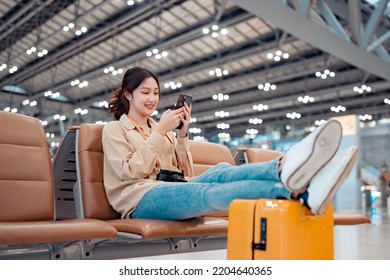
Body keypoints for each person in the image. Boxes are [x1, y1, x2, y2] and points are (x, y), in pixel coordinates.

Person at [102, 66, 358, 220]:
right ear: (128, 94)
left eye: (156, 93)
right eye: (145, 92)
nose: (152, 99)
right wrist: (160, 131)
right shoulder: (115, 129)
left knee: (221, 171)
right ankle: (293, 190)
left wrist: (181, 134)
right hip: (139, 199)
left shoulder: (163, 129)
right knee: (206, 193)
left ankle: (286, 168)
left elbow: (185, 173)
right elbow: (130, 172)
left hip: (172, 188)